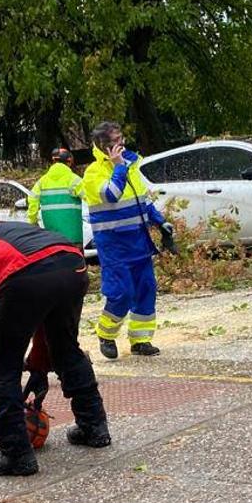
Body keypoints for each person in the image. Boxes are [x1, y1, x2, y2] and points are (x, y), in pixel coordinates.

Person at [0, 221, 112, 476]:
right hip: (70, 262)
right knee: (65, 347)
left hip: (24, 271)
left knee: (1, 366)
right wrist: (39, 364)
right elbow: (37, 311)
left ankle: (16, 454)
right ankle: (95, 427)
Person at [80, 121, 175, 360]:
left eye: (121, 139)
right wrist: (118, 167)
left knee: (146, 289)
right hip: (114, 246)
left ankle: (141, 340)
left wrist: (159, 221)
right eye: (115, 142)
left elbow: (141, 201)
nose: (121, 145)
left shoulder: (131, 166)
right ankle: (106, 334)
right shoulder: (93, 173)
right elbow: (112, 195)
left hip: (138, 241)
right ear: (102, 146)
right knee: (121, 292)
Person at [26, 147, 84, 246]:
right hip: (73, 237)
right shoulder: (74, 180)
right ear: (69, 161)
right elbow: (92, 198)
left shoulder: (42, 181)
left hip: (52, 238)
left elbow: (32, 198)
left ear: (53, 161)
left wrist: (33, 221)